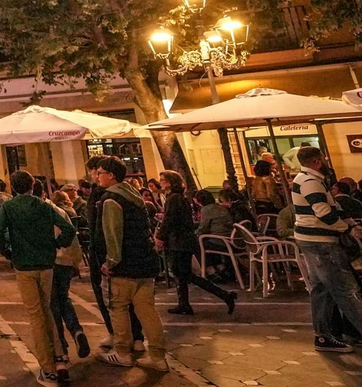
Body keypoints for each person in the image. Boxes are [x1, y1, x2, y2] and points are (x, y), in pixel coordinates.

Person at [284, 144, 362, 358]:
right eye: (324, 159)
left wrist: (354, 227)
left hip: (311, 240)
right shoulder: (310, 182)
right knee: (347, 290)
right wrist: (350, 230)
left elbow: (334, 209)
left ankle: (324, 336)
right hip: (321, 243)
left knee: (321, 289)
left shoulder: (309, 180)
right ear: (317, 161)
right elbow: (324, 214)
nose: (327, 162)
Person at [0, 170, 76, 387]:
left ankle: (47, 368)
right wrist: (58, 243)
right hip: (46, 263)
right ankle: (60, 358)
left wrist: (7, 252)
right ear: (32, 185)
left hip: (23, 264)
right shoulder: (44, 205)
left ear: (13, 187)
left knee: (35, 315)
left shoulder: (9, 207)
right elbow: (69, 227)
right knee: (47, 309)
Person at [90, 155, 168, 371]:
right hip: (146, 260)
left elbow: (112, 233)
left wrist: (111, 261)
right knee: (147, 311)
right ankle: (158, 356)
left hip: (125, 264)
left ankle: (122, 352)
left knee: (119, 308)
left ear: (111, 175)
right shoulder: (135, 196)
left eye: (100, 173)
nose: (98, 177)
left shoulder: (111, 199)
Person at [158, 171, 237, 315]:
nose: (160, 182)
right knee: (183, 274)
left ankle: (224, 295)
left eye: (163, 180)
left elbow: (169, 219)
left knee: (183, 273)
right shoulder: (177, 198)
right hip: (182, 241)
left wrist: (160, 236)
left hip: (179, 241)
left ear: (170, 182)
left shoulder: (174, 199)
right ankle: (185, 304)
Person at [48, 189, 89, 362]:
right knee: (63, 299)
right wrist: (76, 261)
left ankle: (62, 348)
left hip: (50, 262)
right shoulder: (62, 212)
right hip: (65, 262)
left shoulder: (43, 212)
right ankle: (77, 331)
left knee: (52, 304)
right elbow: (72, 236)